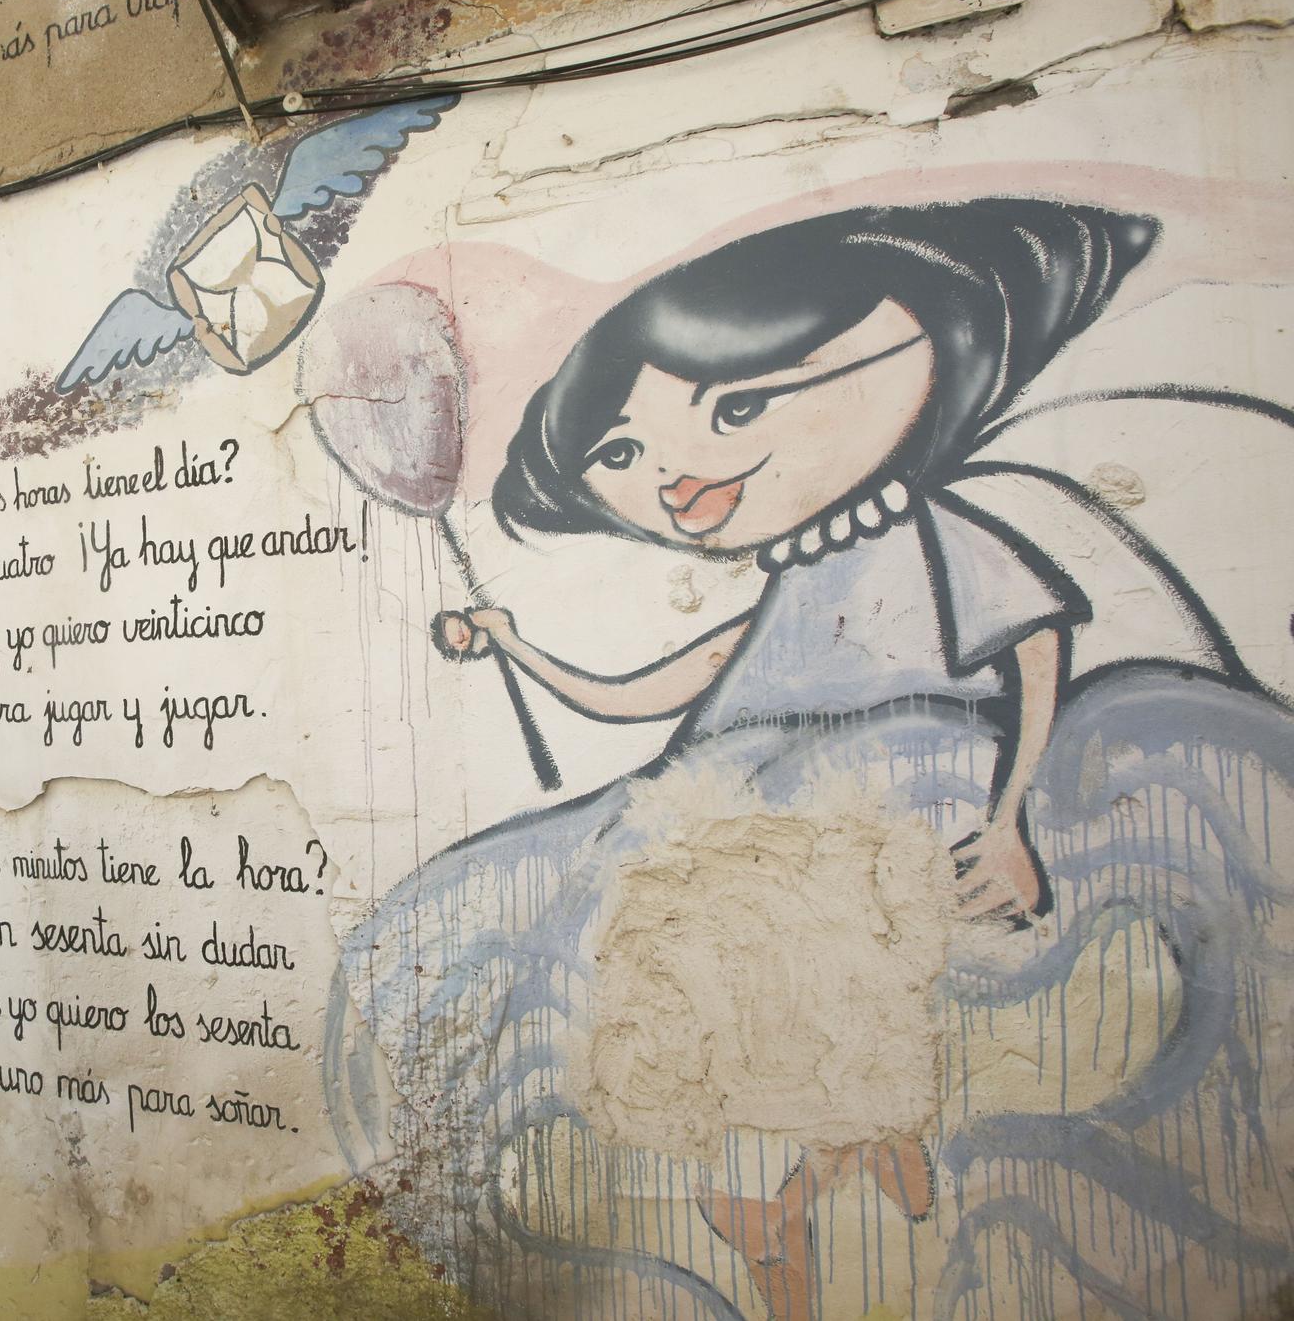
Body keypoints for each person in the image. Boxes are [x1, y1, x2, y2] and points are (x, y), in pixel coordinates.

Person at [327, 198, 1294, 1318]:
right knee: (783, 1032)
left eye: (738, 406)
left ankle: (804, 1199)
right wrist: (513, 646)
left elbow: (1035, 652)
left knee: (865, 1021)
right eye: (623, 453)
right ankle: (805, 1199)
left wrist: (1016, 816)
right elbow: (642, 693)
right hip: (760, 846)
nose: (679, 480)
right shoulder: (787, 583)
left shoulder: (937, 535)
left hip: (884, 826)